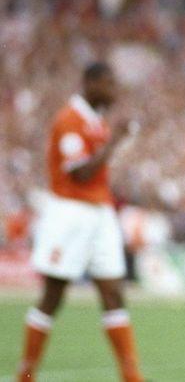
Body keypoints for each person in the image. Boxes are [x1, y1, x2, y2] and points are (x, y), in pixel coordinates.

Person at [16, 62, 144, 382]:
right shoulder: (70, 119)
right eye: (109, 84)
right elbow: (79, 173)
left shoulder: (96, 120)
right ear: (90, 83)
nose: (114, 91)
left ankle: (131, 376)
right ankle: (26, 374)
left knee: (113, 293)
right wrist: (115, 143)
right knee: (53, 295)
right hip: (70, 212)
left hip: (99, 213)